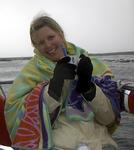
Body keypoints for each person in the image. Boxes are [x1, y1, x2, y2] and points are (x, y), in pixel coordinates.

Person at [4, 15, 134, 150]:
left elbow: (108, 119)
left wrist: (89, 88)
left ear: (60, 34)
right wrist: (53, 89)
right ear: (35, 46)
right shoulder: (30, 73)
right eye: (41, 43)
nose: (48, 45)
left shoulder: (88, 62)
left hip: (101, 143)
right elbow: (17, 115)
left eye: (51, 37)